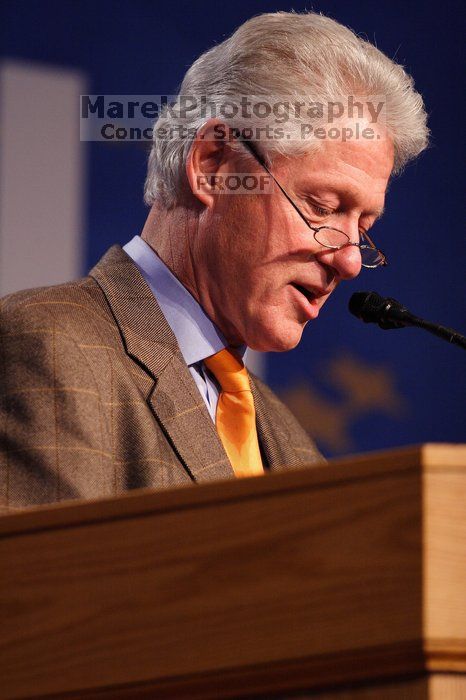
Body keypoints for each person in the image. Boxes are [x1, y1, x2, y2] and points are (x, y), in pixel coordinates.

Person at [0, 11, 428, 512]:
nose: (351, 260)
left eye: (365, 227)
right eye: (323, 207)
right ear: (212, 166)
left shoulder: (293, 447)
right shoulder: (50, 350)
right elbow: (43, 589)